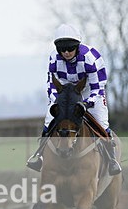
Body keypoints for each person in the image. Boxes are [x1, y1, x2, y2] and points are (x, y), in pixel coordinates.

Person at [26, 24, 122, 175]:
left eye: (70, 48)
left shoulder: (90, 58)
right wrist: (57, 101)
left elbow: (98, 87)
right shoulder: (53, 58)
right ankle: (39, 156)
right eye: (62, 49)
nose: (66, 52)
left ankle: (111, 159)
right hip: (65, 92)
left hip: (90, 90)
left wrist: (86, 104)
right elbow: (51, 84)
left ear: (77, 46)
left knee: (102, 123)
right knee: (48, 120)